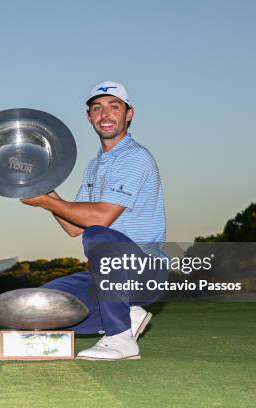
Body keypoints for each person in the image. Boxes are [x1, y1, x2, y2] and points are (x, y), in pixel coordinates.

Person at [20, 80, 166, 360]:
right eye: (97, 108)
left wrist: (46, 201)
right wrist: (45, 189)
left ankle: (121, 338)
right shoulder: (94, 165)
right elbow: (73, 227)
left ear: (129, 114)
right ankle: (126, 316)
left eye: (114, 107)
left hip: (145, 270)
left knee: (99, 235)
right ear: (89, 117)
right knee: (42, 303)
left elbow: (101, 218)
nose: (105, 114)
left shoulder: (135, 157)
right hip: (109, 277)